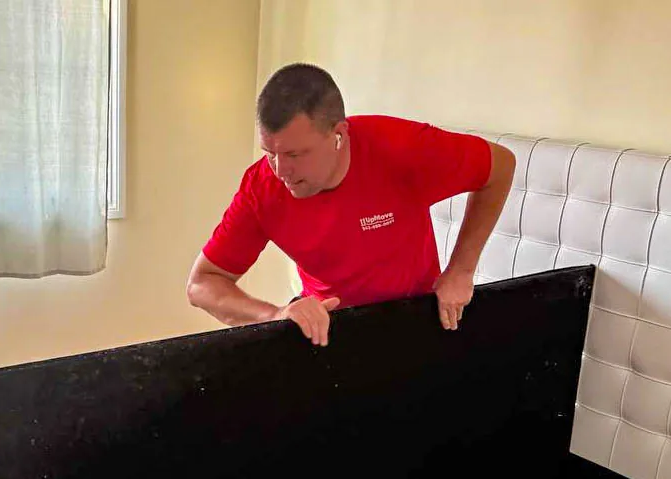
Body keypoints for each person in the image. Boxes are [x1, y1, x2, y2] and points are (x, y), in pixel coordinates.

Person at [186, 63, 515, 346]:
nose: (280, 171)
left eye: (294, 154)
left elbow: (501, 167)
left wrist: (461, 270)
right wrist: (276, 315)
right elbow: (202, 283)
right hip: (328, 327)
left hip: (416, 315)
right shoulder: (261, 187)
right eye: (269, 153)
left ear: (339, 135)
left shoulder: (402, 149)